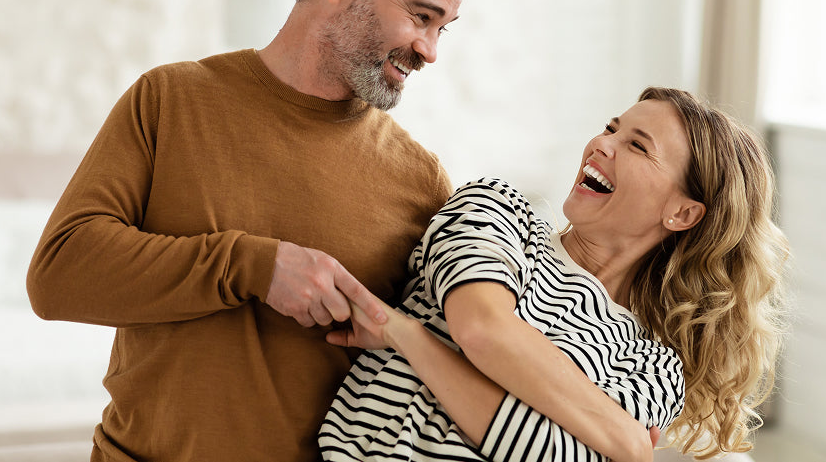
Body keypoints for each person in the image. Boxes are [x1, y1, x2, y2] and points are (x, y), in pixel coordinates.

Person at [26, 0, 492, 462]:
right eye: (421, 16)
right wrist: (253, 265)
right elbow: (59, 275)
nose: (429, 50)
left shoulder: (421, 182)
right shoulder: (170, 100)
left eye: (442, 30)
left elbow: (439, 381)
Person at [319, 87, 792, 461]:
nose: (601, 145)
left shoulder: (655, 369)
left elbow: (553, 456)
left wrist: (406, 334)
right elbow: (482, 330)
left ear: (682, 214)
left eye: (636, 146)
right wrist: (622, 438)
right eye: (611, 127)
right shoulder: (497, 211)